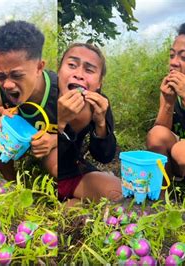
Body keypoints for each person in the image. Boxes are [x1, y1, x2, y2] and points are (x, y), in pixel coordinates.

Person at [0, 20, 57, 181]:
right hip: (19, 140)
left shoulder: (60, 91)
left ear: (39, 67)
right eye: (0, 76)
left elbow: (75, 135)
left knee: (57, 164)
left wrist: (52, 141)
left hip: (50, 147)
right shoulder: (5, 87)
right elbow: (1, 106)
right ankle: (11, 182)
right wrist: (4, 112)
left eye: (16, 75)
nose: (7, 84)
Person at [146, 22, 185, 198]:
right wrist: (167, 103)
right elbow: (158, 139)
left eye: (184, 57)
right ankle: (163, 198)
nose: (174, 63)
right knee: (156, 133)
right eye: (172, 55)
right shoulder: (172, 87)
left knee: (184, 150)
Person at [57, 43, 122, 204]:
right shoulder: (46, 96)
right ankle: (69, 204)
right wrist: (60, 121)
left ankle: (72, 202)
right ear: (59, 72)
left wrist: (100, 123)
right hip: (43, 176)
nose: (79, 75)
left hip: (74, 174)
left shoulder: (99, 104)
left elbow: (105, 156)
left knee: (120, 193)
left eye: (89, 70)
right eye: (72, 65)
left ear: (99, 83)